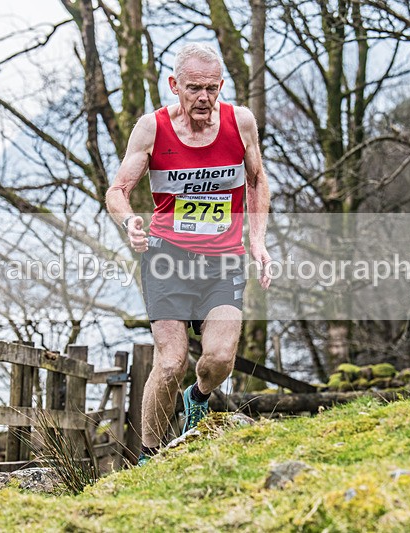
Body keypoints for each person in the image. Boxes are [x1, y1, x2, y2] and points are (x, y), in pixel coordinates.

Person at [105, 43, 271, 465]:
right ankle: (148, 455)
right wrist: (128, 222)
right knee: (171, 360)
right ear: (174, 85)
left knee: (218, 358)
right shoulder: (151, 128)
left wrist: (257, 240)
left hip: (224, 260)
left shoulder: (241, 123)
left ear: (221, 86)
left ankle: (197, 398)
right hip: (167, 258)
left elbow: (257, 181)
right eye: (194, 88)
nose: (204, 98)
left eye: (212, 89)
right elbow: (117, 190)